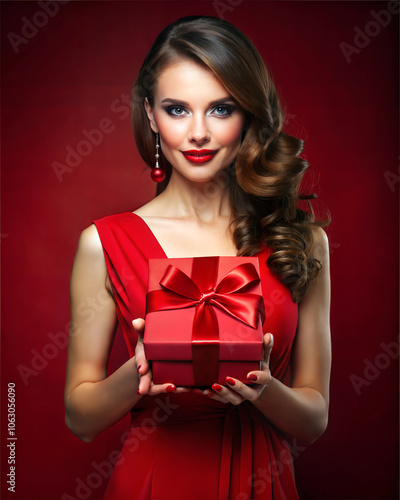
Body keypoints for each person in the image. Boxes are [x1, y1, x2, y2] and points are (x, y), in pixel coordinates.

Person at [64, 15, 331, 500]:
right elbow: (80, 419)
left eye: (221, 109)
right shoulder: (103, 243)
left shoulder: (302, 240)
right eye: (178, 109)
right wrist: (138, 372)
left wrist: (264, 388)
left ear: (249, 114)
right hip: (154, 478)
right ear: (150, 114)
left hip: (264, 482)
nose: (199, 133)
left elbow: (314, 420)